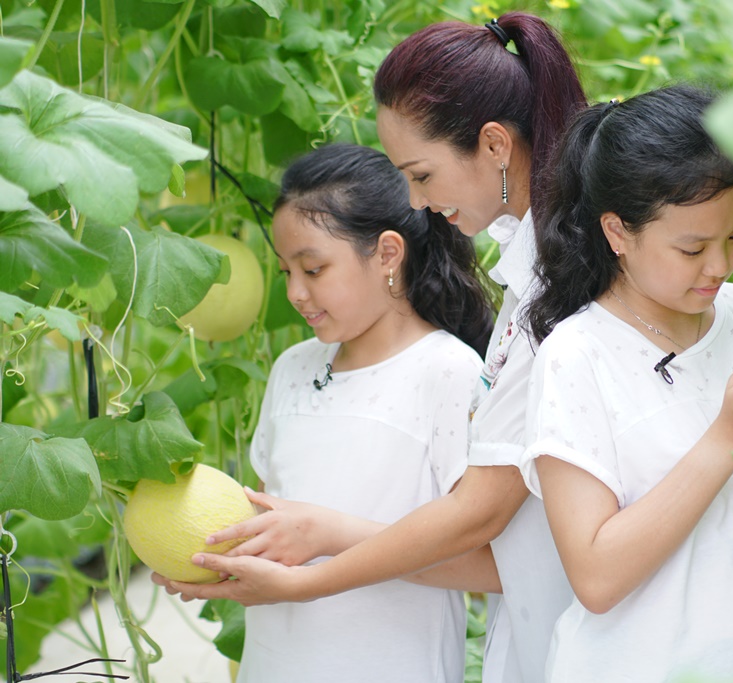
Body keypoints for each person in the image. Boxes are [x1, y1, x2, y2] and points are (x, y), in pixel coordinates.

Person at [159, 13, 586, 683]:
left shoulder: (529, 306)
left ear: (496, 146)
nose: (414, 199)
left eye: (420, 172)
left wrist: (318, 551)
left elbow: (485, 519)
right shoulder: (527, 279)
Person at [520, 84, 733, 682]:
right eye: (692, 247)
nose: (720, 265)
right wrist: (726, 437)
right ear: (618, 233)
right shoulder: (577, 358)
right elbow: (596, 576)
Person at [219, 142, 497, 682]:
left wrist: (330, 534)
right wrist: (207, 559)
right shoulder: (293, 368)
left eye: (315, 268)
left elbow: (492, 566)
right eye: (285, 272)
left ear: (388, 253)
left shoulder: (449, 373)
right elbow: (268, 527)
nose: (296, 293)